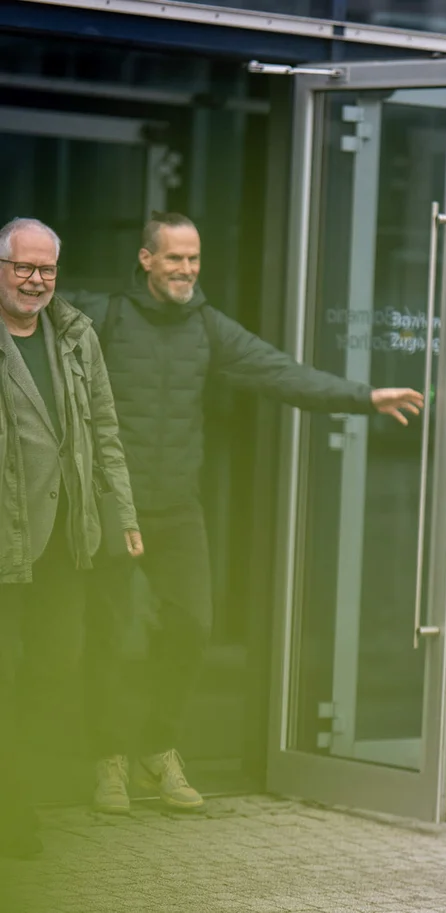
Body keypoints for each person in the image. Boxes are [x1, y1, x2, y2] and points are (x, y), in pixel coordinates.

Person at [68, 211, 425, 815]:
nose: (186, 269)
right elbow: (34, 307)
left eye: (193, 258)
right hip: (112, 506)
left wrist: (363, 397)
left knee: (192, 627)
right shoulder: (106, 317)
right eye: (174, 257)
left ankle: (155, 747)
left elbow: (278, 372)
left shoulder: (205, 326)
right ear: (146, 259)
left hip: (177, 506)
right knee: (108, 634)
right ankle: (107, 758)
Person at [0, 218, 140, 858]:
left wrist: (125, 516)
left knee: (53, 670)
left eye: (47, 269)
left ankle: (19, 795)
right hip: (6, 538)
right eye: (24, 268)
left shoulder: (77, 336)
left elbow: (105, 429)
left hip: (63, 540)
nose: (36, 280)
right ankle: (13, 816)